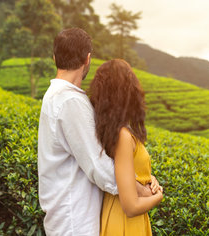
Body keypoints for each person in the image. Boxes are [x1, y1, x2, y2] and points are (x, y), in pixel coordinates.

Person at [38, 28, 156, 236]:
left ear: (55, 57)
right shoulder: (70, 101)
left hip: (68, 216)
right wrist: (143, 189)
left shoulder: (57, 96)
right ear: (87, 59)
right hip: (75, 220)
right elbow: (99, 166)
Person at [89, 59, 164, 236]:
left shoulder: (120, 131)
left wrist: (148, 178)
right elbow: (130, 206)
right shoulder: (123, 136)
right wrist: (158, 196)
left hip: (124, 219)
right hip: (124, 222)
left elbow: (127, 172)